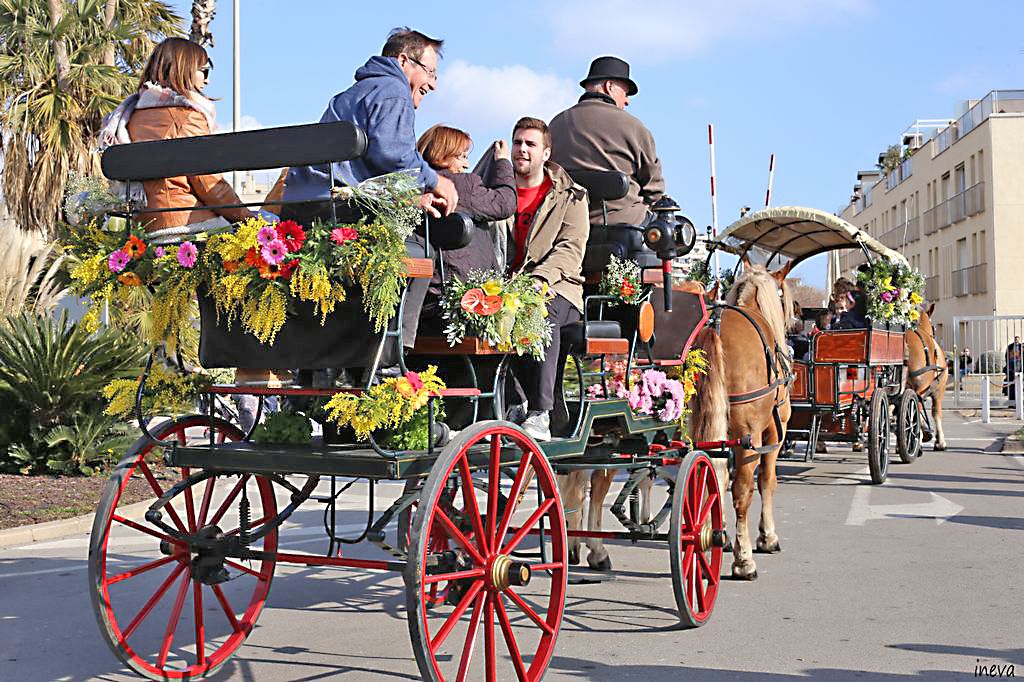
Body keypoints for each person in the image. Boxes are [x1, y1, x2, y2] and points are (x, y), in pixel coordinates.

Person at [280, 27, 459, 376]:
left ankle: (331, 363)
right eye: (430, 72)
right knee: (419, 254)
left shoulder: (351, 95)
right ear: (404, 61)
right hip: (338, 213)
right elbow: (393, 154)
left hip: (305, 211)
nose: (433, 84)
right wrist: (438, 181)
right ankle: (391, 357)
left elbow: (366, 166)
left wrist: (408, 194)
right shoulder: (393, 91)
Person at [98, 37, 262, 236]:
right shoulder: (186, 115)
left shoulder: (128, 116)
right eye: (204, 70)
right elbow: (207, 182)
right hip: (185, 224)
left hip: (142, 228)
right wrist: (248, 219)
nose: (208, 79)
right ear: (183, 68)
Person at [507, 117, 590, 441]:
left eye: (530, 144)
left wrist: (540, 278)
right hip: (506, 284)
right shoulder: (500, 190)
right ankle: (508, 400)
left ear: (546, 153)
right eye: (518, 142)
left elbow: (571, 247)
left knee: (540, 311)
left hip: (559, 287)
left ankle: (541, 411)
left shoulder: (572, 196)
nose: (522, 150)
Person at [416, 124, 516, 326]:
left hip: (427, 297)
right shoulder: (462, 185)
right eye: (461, 156)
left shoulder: (414, 187)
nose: (467, 164)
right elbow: (505, 203)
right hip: (465, 297)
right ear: (441, 156)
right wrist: (504, 162)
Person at [548, 56, 665, 227]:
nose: (627, 100)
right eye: (625, 93)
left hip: (567, 226)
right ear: (609, 87)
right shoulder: (633, 127)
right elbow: (654, 190)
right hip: (625, 226)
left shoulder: (556, 124)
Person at [1005, 336, 1022, 400]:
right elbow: (1006, 356)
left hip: (1019, 365)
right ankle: (1011, 399)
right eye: (1015, 339)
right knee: (1011, 383)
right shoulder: (1010, 346)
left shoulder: (1021, 346)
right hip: (1011, 365)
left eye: (1017, 339)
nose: (1016, 340)